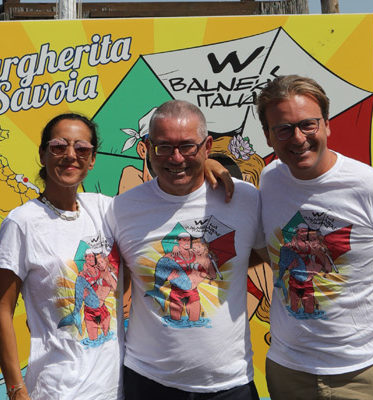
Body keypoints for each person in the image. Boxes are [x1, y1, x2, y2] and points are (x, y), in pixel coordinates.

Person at [256, 75, 373, 399]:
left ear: (327, 125)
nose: (298, 138)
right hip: (287, 371)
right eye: (283, 129)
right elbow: (258, 249)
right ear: (268, 136)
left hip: (364, 371)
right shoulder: (268, 181)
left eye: (308, 124)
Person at [106, 100, 263, 399]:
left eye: (187, 146)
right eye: (164, 147)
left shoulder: (245, 198)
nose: (176, 158)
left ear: (207, 146)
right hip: (149, 381)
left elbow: (272, 255)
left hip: (230, 383)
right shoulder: (121, 209)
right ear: (148, 148)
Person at [0, 113, 123, 400]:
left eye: (82, 148)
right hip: (58, 390)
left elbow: (161, 200)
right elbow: (1, 310)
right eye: (59, 146)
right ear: (43, 154)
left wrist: (208, 165)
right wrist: (16, 390)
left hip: (114, 390)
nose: (70, 155)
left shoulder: (106, 210)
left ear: (92, 159)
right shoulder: (22, 222)